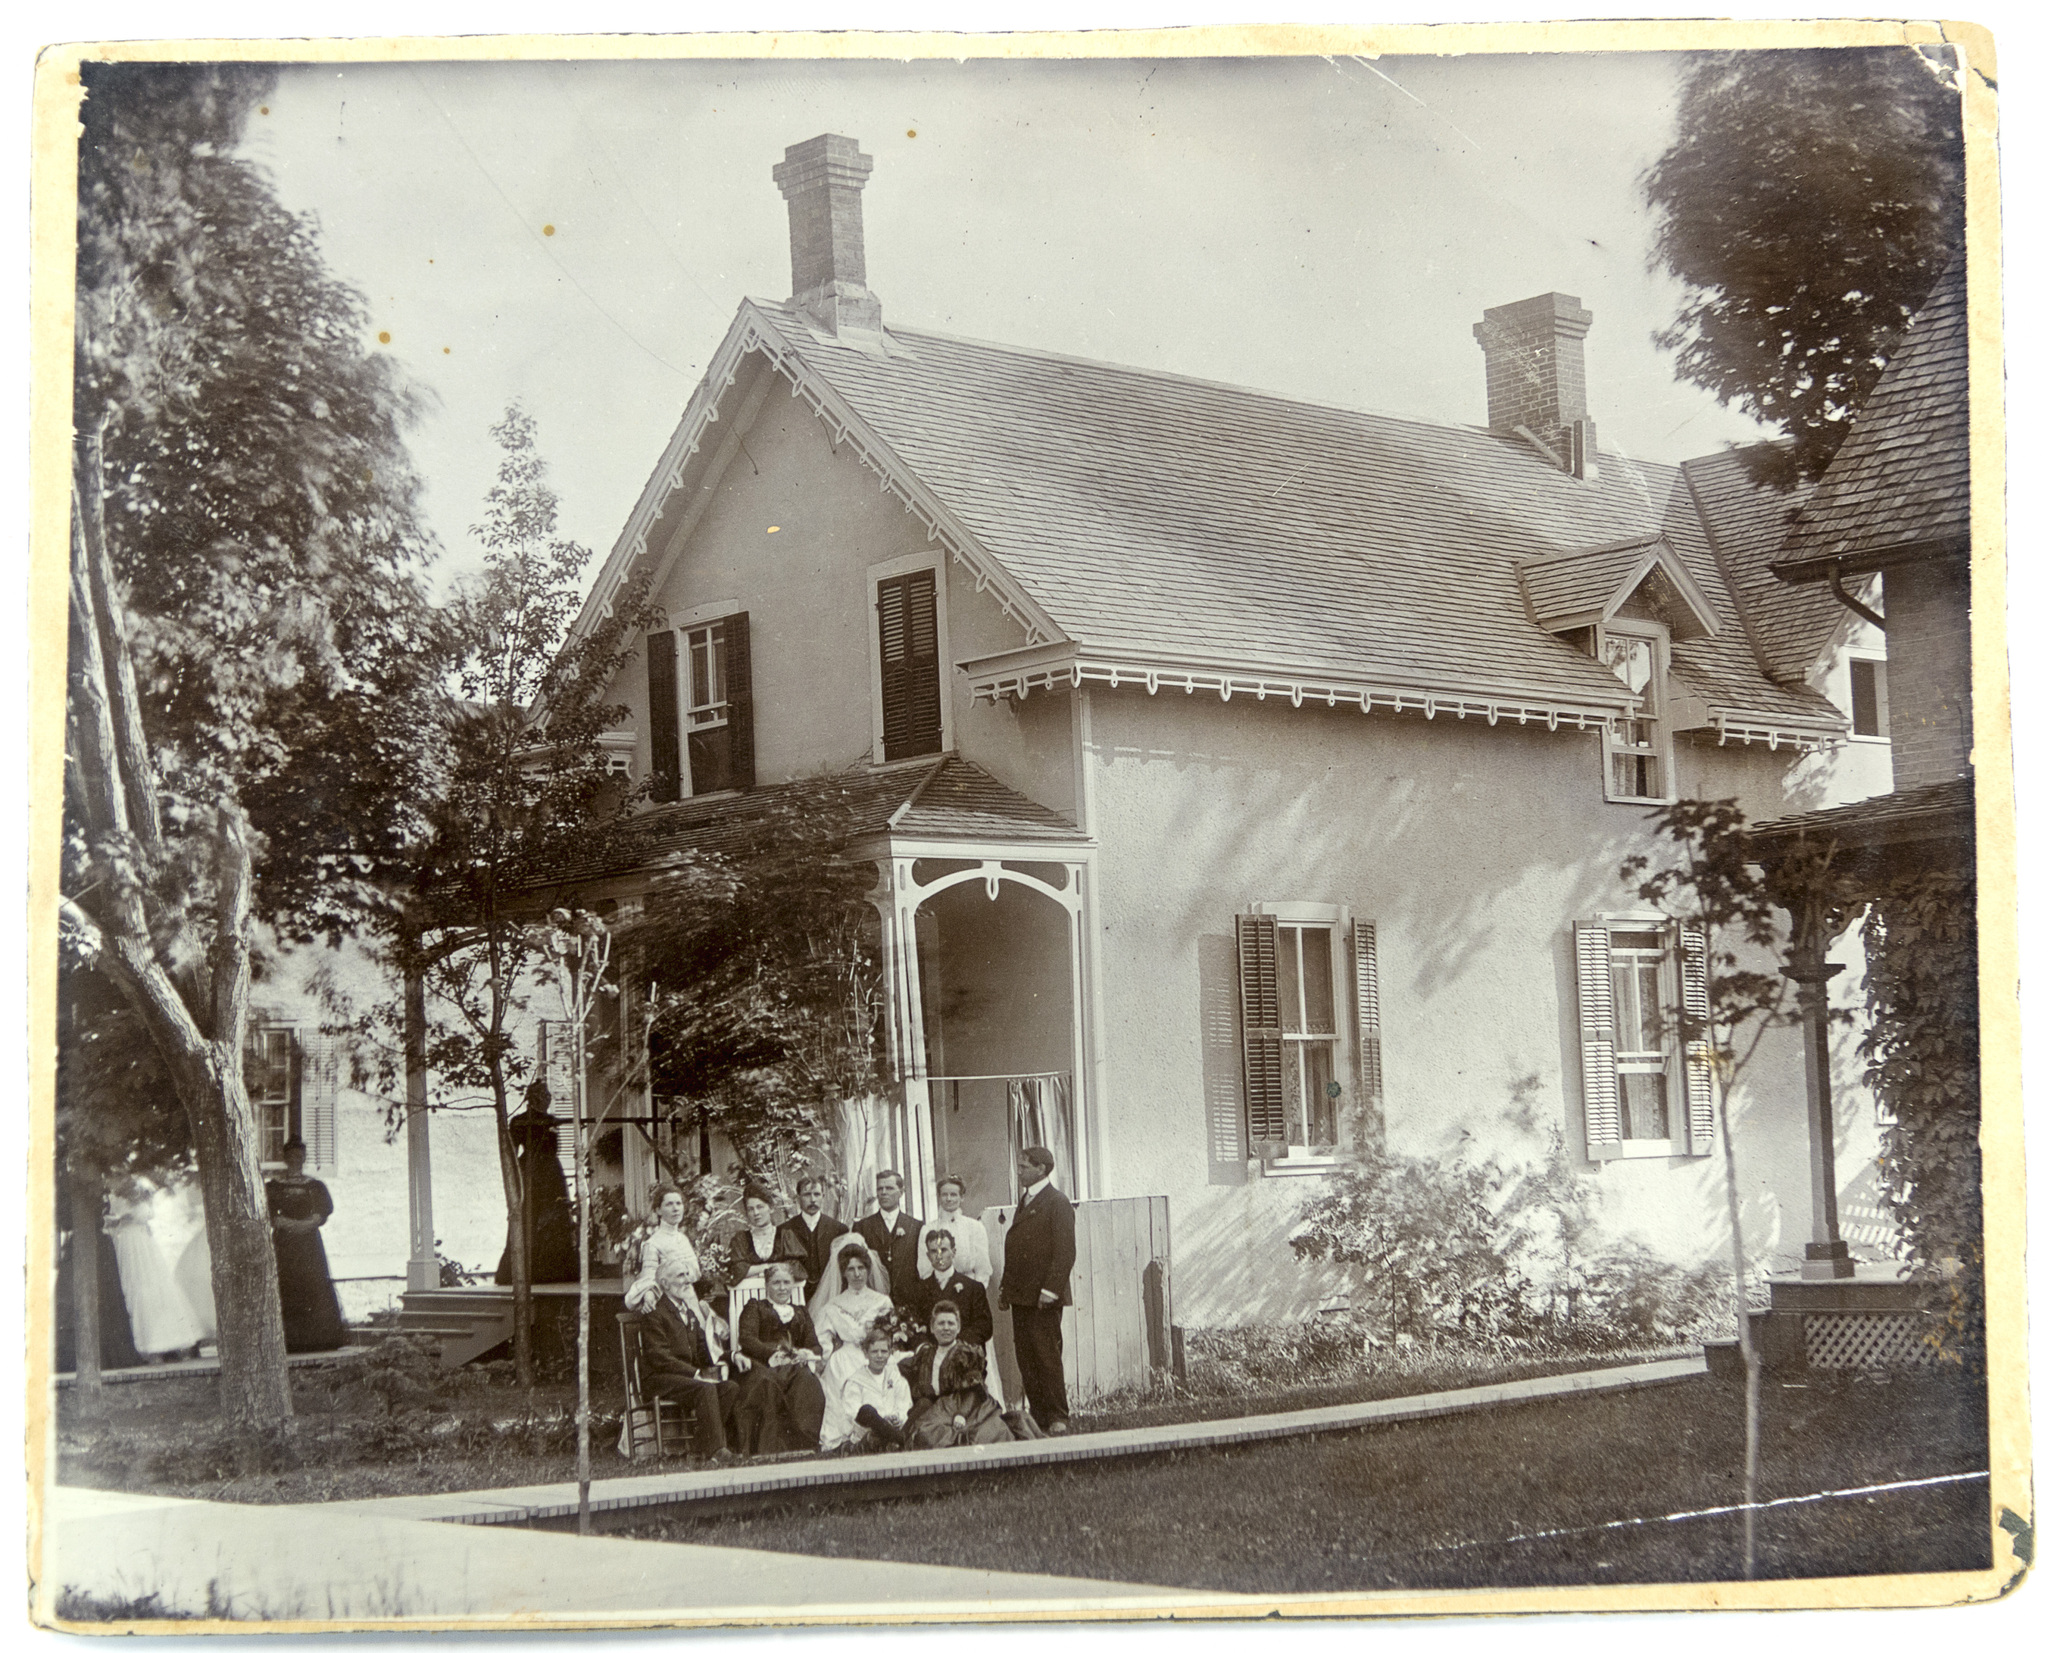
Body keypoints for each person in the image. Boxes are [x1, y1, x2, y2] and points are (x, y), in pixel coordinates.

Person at [1000, 1143, 1075, 1434]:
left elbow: (1065, 1251)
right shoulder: (1026, 1199)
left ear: (1042, 1169)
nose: (1019, 1172)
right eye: (1019, 1167)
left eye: (1024, 1167)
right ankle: (1039, 1415)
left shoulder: (1057, 1202)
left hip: (1043, 1297)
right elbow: (1016, 1248)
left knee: (1046, 1355)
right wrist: (1006, 1289)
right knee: (1026, 1356)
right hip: (1021, 1295)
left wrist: (1051, 1290)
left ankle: (1058, 1416)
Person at [629, 1268, 739, 1465]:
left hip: (684, 1378)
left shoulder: (688, 1312)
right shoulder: (655, 1312)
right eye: (680, 1275)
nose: (687, 1281)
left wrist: (731, 1355)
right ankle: (717, 1450)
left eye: (688, 1276)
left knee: (730, 1387)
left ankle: (700, 1446)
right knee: (705, 1388)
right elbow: (659, 1357)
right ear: (664, 1283)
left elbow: (705, 1353)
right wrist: (695, 1373)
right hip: (658, 1378)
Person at [731, 1261, 827, 1454]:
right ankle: (767, 1449)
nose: (782, 1288)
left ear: (792, 1284)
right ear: (767, 1286)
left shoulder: (801, 1311)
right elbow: (747, 1339)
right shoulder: (755, 1307)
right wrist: (772, 1353)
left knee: (808, 1382)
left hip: (793, 1367)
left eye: (786, 1282)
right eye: (776, 1283)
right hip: (762, 1365)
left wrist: (806, 1354)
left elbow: (815, 1345)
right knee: (767, 1384)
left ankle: (802, 1446)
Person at [266, 1138, 347, 1353]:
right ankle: (289, 1340)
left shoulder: (315, 1187)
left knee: (312, 1284)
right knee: (287, 1285)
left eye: (299, 1157)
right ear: (285, 1158)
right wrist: (288, 1225)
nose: (296, 1160)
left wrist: (303, 1225)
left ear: (304, 1158)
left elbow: (319, 1215)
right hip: (285, 1245)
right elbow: (272, 1216)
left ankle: (317, 1339)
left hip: (309, 1246)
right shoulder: (274, 1187)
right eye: (291, 1156)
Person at [105, 1187, 203, 1362]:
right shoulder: (116, 1190)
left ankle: (164, 1343)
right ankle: (148, 1345)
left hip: (138, 1242)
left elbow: (145, 1213)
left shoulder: (137, 1189)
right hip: (126, 1241)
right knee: (136, 1287)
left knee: (152, 1285)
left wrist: (121, 1219)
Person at [495, 1081, 578, 1286]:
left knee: (542, 1215)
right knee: (536, 1215)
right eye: (545, 1096)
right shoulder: (528, 1121)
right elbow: (518, 1153)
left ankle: (542, 1270)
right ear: (537, 1098)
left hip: (539, 1172)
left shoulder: (538, 1121)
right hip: (540, 1173)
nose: (548, 1099)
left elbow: (518, 1153)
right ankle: (537, 1271)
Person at [898, 1300, 1011, 1450]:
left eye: (951, 1324)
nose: (946, 1328)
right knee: (924, 1432)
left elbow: (974, 1391)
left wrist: (961, 1414)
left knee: (942, 1436)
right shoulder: (926, 1354)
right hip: (935, 1409)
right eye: (941, 1323)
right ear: (932, 1328)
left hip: (965, 1408)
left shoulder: (966, 1354)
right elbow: (901, 1367)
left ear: (958, 1328)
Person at [820, 1325, 913, 1453]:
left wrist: (897, 1417)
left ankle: (894, 1439)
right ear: (866, 1353)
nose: (879, 1356)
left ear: (890, 1352)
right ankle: (899, 1441)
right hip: (867, 1432)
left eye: (884, 1351)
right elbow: (852, 1414)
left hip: (894, 1428)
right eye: (874, 1352)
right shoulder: (855, 1381)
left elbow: (903, 1403)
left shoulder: (895, 1377)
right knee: (866, 1411)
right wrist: (881, 1420)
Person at [907, 1227, 993, 1349]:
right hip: (930, 1357)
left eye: (943, 1250)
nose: (939, 1256)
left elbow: (984, 1327)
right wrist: (926, 1348)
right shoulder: (918, 1290)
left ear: (954, 1252)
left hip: (963, 1355)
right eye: (934, 1251)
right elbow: (912, 1326)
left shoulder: (973, 1288)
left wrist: (955, 1346)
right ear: (928, 1255)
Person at [852, 1169, 924, 1314]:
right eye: (880, 1189)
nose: (883, 1192)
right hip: (873, 1304)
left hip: (909, 1304)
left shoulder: (916, 1226)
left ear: (901, 1192)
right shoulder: (862, 1226)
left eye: (889, 1188)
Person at [627, 1184, 701, 1310]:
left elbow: (696, 1273)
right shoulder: (653, 1243)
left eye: (679, 1203)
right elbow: (649, 1278)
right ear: (658, 1210)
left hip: (690, 1301)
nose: (676, 1208)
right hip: (668, 1306)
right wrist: (649, 1295)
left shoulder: (683, 1239)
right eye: (669, 1204)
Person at [773, 1175, 846, 1302]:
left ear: (823, 1197)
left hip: (830, 1297)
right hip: (796, 1297)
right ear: (798, 1198)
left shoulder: (839, 1229)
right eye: (807, 1195)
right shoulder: (784, 1230)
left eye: (817, 1194)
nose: (812, 1199)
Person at [915, 1175, 992, 1284]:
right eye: (944, 1195)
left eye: (953, 1195)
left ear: (962, 1197)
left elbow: (983, 1268)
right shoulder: (928, 1229)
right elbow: (924, 1269)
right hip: (939, 1288)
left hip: (969, 1288)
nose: (949, 1199)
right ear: (939, 1197)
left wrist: (976, 1292)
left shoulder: (975, 1227)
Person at [726, 1184, 805, 1284]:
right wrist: (767, 1267)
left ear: (771, 1208)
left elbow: (797, 1269)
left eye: (760, 1207)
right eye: (750, 1209)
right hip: (748, 1296)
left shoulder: (785, 1236)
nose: (756, 1213)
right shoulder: (740, 1240)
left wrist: (753, 1271)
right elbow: (736, 1271)